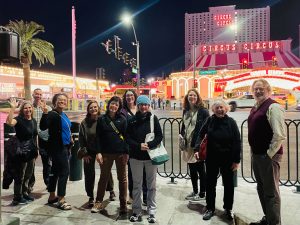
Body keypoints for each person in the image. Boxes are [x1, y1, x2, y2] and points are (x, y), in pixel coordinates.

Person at [195, 100, 241, 221]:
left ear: (226, 109)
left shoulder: (231, 122)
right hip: (211, 158)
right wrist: (197, 148)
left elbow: (237, 142)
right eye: (217, 108)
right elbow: (200, 134)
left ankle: (228, 209)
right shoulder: (209, 120)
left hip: (228, 159)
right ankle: (210, 208)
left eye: (222, 107)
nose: (219, 110)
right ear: (213, 110)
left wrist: (236, 160)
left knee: (229, 185)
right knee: (210, 184)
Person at [248, 79, 286, 225]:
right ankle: (268, 218)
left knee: (271, 193)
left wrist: (269, 154)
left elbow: (279, 134)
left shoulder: (273, 107)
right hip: (257, 155)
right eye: (256, 89)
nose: (258, 91)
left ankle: (274, 222)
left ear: (268, 90)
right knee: (262, 189)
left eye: (261, 89)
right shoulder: (256, 106)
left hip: (268, 156)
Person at [126, 95, 163, 223]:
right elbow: (128, 138)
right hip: (135, 157)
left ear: (149, 105)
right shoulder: (131, 120)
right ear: (138, 105)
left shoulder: (153, 118)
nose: (143, 107)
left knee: (151, 185)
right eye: (141, 104)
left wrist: (150, 145)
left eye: (146, 104)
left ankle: (151, 211)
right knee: (136, 186)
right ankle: (136, 211)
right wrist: (138, 145)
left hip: (151, 157)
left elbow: (159, 136)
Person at [91, 96, 128, 215]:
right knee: (103, 177)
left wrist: (126, 152)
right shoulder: (102, 119)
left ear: (119, 107)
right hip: (106, 153)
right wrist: (98, 152)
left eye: (116, 105)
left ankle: (123, 204)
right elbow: (98, 137)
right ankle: (98, 202)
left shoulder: (122, 119)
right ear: (109, 105)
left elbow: (127, 137)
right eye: (112, 104)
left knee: (122, 179)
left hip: (120, 154)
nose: (114, 106)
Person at [79, 101, 115, 207]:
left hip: (102, 149)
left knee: (106, 171)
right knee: (89, 173)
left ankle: (111, 190)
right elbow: (81, 139)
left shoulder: (103, 119)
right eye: (91, 108)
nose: (93, 109)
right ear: (88, 110)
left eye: (95, 107)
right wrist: (85, 153)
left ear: (98, 108)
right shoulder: (84, 123)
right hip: (89, 150)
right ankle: (90, 196)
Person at [40, 93, 73, 210]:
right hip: (58, 148)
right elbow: (43, 126)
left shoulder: (63, 114)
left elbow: (66, 128)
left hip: (65, 147)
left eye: (65, 100)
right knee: (64, 172)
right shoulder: (52, 114)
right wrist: (44, 113)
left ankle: (52, 196)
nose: (63, 101)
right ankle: (61, 199)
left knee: (54, 171)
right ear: (55, 102)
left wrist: (70, 137)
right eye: (60, 100)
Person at [6, 99, 38, 205]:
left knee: (28, 174)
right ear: (22, 110)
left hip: (31, 152)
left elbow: (34, 136)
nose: (28, 110)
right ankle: (17, 197)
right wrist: (12, 108)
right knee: (20, 174)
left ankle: (24, 193)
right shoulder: (19, 119)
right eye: (25, 108)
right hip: (21, 151)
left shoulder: (33, 120)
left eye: (29, 107)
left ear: (32, 109)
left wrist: (36, 150)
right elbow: (9, 123)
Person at [180, 89, 209, 201]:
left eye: (194, 95)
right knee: (191, 169)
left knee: (200, 169)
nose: (192, 97)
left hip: (197, 144)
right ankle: (195, 191)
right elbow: (184, 126)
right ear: (187, 97)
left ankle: (202, 193)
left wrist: (198, 146)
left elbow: (205, 130)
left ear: (198, 97)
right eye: (190, 95)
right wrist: (181, 137)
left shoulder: (203, 111)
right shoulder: (186, 110)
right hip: (188, 144)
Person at [121, 90, 147, 205]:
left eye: (131, 95)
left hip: (144, 145)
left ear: (135, 97)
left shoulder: (140, 107)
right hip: (131, 145)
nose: (129, 97)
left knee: (145, 172)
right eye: (127, 95)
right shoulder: (122, 111)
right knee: (131, 172)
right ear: (125, 98)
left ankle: (145, 196)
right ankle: (132, 195)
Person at [29, 88, 52, 191]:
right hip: (32, 136)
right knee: (31, 160)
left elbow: (51, 122)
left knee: (46, 161)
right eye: (36, 94)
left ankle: (48, 183)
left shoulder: (47, 108)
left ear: (42, 96)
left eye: (40, 94)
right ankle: (30, 183)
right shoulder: (29, 107)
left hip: (44, 137)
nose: (38, 96)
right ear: (33, 95)